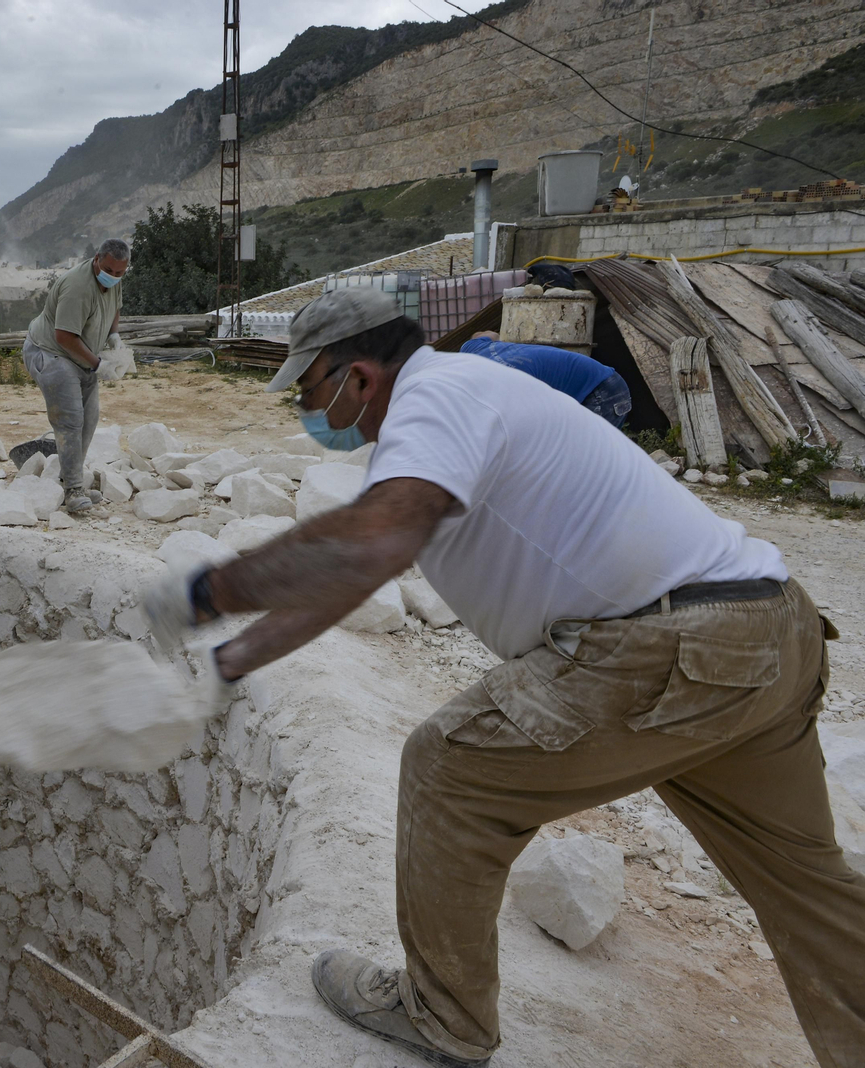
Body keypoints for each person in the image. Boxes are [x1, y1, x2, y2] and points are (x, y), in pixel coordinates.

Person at [142, 288, 864, 1068]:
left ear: (357, 378)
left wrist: (208, 593)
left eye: (307, 388)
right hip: (768, 630)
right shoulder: (453, 411)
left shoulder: (433, 397)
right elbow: (357, 572)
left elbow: (367, 544)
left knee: (449, 770)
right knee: (805, 884)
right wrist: (233, 660)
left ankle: (442, 1017)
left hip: (674, 647)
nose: (304, 411)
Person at [22, 239, 128, 513]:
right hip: (51, 352)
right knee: (70, 419)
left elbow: (115, 307)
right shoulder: (77, 287)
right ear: (96, 259)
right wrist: (98, 365)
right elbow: (64, 336)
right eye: (108, 270)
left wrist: (113, 335)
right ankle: (72, 491)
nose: (114, 276)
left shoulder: (115, 279)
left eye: (119, 272)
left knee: (89, 418)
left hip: (81, 355)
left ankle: (70, 477)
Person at [460, 330, 633, 428]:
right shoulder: (470, 348)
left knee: (587, 462)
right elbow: (488, 334)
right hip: (588, 386)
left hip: (604, 391)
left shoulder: (508, 381)